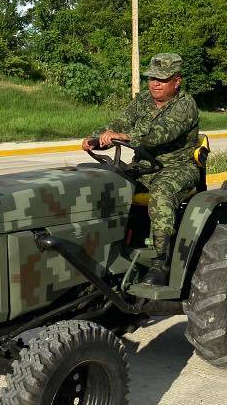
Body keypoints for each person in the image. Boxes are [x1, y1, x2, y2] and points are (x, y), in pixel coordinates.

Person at [81, 53, 199, 286]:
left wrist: (124, 137)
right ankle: (104, 248)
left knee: (162, 193)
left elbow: (160, 134)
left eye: (162, 79)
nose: (155, 83)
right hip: (144, 167)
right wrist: (98, 137)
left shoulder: (186, 105)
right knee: (104, 184)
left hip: (177, 167)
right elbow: (119, 123)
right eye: (152, 78)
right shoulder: (143, 100)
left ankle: (160, 262)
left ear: (177, 81)